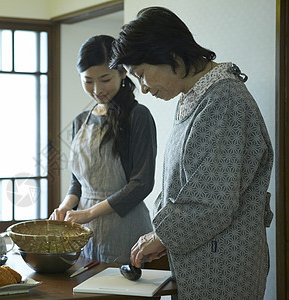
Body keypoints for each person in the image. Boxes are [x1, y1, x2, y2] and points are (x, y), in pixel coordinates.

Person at [111, 6, 274, 299]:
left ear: (171, 56)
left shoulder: (224, 99)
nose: (144, 89)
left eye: (141, 74)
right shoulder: (195, 98)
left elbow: (212, 200)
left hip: (224, 265)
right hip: (204, 257)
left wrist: (162, 235)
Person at [49, 35, 157, 263]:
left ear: (123, 72)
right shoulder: (81, 120)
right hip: (84, 229)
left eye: (105, 79)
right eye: (88, 81)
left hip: (126, 226)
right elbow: (78, 181)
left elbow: (141, 184)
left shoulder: (138, 116)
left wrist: (88, 213)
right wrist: (64, 207)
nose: (97, 89)